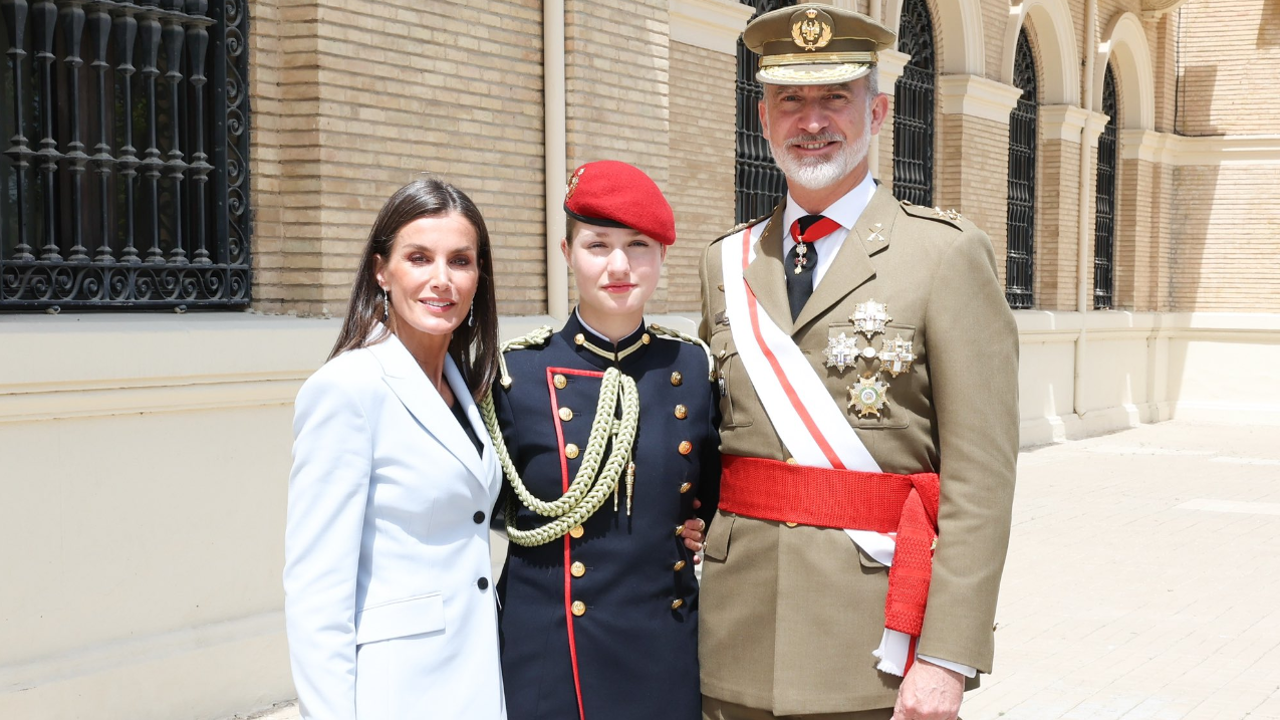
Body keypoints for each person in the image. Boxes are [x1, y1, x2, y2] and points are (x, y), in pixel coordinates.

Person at [697, 5, 1019, 720]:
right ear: (763, 117)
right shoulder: (725, 262)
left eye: (834, 98)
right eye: (791, 100)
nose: (812, 121)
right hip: (732, 639)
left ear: (876, 112)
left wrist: (946, 655)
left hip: (872, 650)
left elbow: (982, 482)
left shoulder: (945, 256)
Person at [485, 160, 719, 720]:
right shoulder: (515, 373)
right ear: (567, 255)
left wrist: (702, 529)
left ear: (662, 256)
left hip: (664, 642)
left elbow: (715, 485)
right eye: (597, 245)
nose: (619, 266)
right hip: (548, 647)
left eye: (639, 245)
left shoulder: (693, 366)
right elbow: (489, 507)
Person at [284, 178, 506, 720]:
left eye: (460, 261)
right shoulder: (348, 389)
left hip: (478, 673)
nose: (441, 280)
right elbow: (317, 591)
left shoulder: (471, 387)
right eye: (419, 258)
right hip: (398, 690)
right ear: (382, 270)